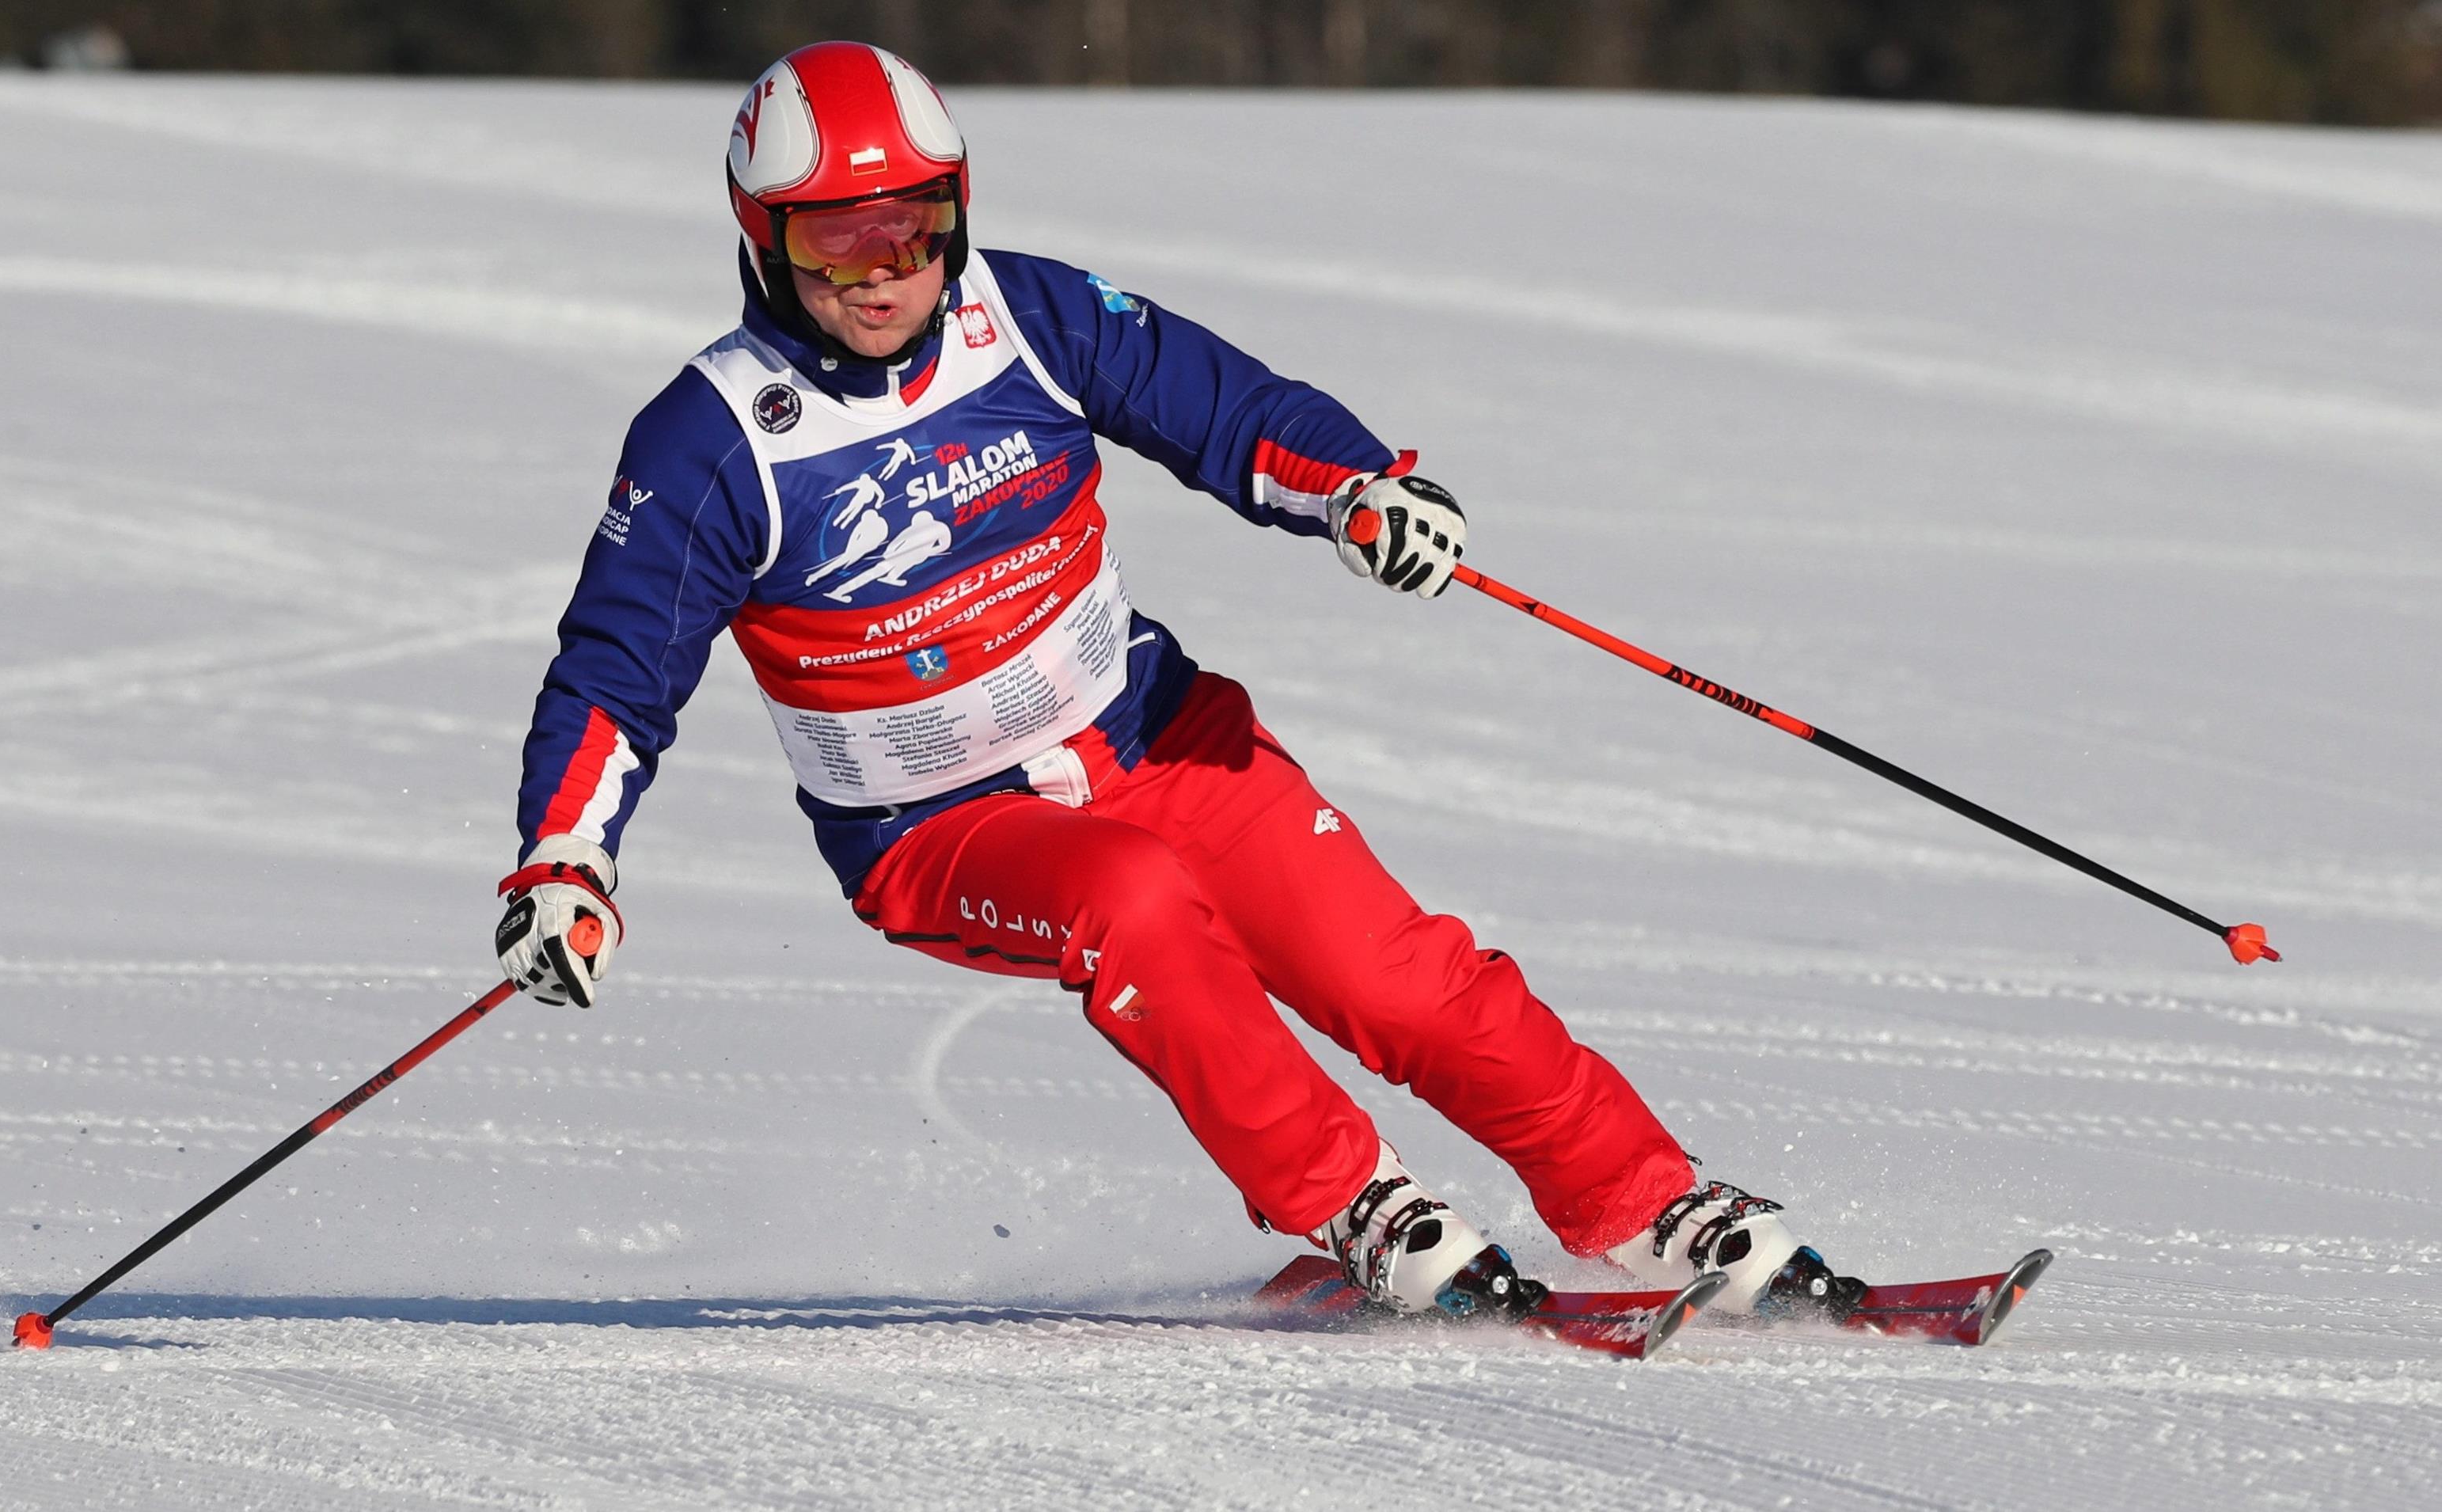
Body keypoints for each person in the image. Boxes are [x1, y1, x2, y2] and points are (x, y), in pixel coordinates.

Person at [493, 41, 1860, 1320]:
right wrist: (567, 861)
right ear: (761, 238)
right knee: (1132, 903)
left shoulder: (1021, 314)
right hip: (942, 828)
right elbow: (619, 669)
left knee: (1392, 976)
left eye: (909, 224)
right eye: (830, 237)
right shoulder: (713, 439)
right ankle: (1361, 1207)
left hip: (1151, 732)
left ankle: (1655, 1201)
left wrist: (1361, 490)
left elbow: (1216, 401)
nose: (877, 271)